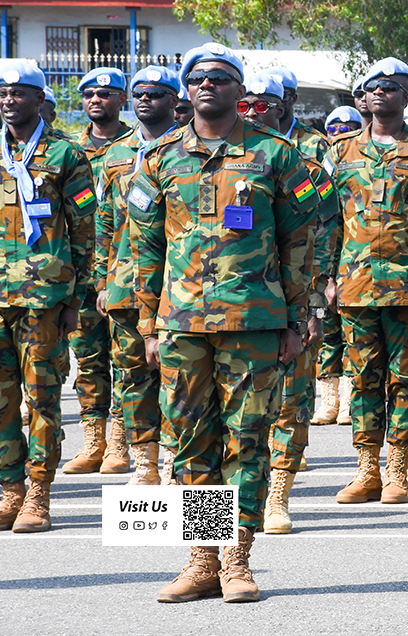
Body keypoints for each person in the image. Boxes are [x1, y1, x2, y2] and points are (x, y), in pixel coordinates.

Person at [130, 43, 318, 603]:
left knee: (247, 438)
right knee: (189, 442)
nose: (206, 85)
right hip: (182, 323)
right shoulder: (159, 159)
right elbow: (142, 244)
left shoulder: (277, 156)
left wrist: (297, 317)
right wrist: (147, 324)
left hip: (255, 319)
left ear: (241, 91)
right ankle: (201, 560)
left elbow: (299, 242)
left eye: (219, 78)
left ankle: (237, 559)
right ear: (186, 91)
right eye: (197, 78)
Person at [327, 58, 408, 506]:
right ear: (361, 97)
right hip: (354, 284)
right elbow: (327, 221)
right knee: (362, 378)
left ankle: (397, 470)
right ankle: (366, 469)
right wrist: (326, 278)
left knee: (403, 378)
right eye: (372, 86)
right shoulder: (339, 152)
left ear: (406, 95)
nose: (381, 92)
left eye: (392, 86)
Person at [237, 72, 339, 533]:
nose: (252, 113)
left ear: (283, 107)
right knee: (205, 426)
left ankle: (273, 501)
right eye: (246, 105)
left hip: (282, 310)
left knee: (290, 405)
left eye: (262, 106)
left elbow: (320, 248)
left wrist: (313, 312)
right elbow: (156, 245)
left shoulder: (308, 172)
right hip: (209, 315)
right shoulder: (189, 162)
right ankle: (205, 554)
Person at [0, 60, 96, 533]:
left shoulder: (65, 155)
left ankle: (39, 491)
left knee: (42, 397)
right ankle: (9, 488)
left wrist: (77, 297)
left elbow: (85, 231)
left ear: (40, 99)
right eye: (3, 92)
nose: (8, 99)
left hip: (44, 296)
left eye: (19, 92)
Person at [93, 66, 181, 486]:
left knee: (184, 383)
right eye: (139, 93)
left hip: (182, 287)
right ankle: (145, 465)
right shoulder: (115, 155)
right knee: (132, 375)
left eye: (157, 93)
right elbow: (105, 224)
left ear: (174, 100)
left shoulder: (190, 149)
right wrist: (101, 280)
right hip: (127, 284)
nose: (145, 99)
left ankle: (174, 467)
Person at [62, 67, 133, 477]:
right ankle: (95, 439)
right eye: (88, 93)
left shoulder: (138, 148)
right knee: (88, 359)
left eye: (105, 93)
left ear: (120, 99)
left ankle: (123, 443)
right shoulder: (70, 150)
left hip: (125, 273)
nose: (95, 100)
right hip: (81, 274)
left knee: (128, 360)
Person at [311, 104, 362, 426]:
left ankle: (349, 400)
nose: (340, 133)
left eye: (349, 128)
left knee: (353, 336)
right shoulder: (321, 177)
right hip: (328, 264)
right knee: (328, 333)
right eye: (334, 129)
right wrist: (325, 275)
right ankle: (329, 400)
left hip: (359, 268)